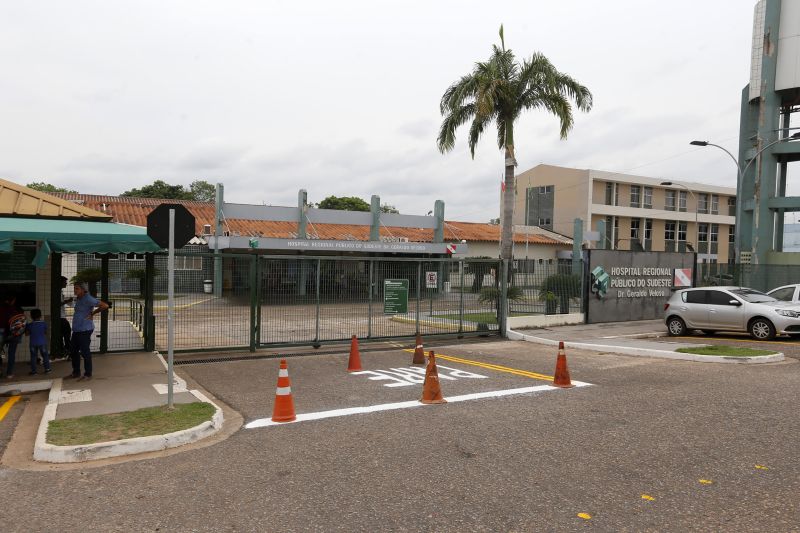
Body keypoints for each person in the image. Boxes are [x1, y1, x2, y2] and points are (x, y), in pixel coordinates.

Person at [67, 282, 108, 381]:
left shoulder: (88, 298)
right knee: (73, 351)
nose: (75, 290)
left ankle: (88, 374)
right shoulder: (79, 298)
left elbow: (104, 305)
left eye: (77, 289)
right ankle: (76, 372)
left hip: (85, 329)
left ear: (83, 290)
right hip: (77, 329)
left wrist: (92, 313)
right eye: (74, 288)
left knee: (85, 352)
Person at [0, 293, 25, 379]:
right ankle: (9, 373)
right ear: (12, 300)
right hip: (13, 334)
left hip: (1, 332)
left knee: (0, 353)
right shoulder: (17, 309)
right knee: (11, 353)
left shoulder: (1, 308)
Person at [26, 308, 51, 375]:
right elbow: (45, 332)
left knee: (33, 357)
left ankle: (34, 372)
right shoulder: (44, 324)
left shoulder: (30, 325)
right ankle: (47, 369)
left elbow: (27, 334)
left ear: (31, 316)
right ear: (40, 316)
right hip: (42, 343)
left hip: (33, 343)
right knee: (45, 356)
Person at [59, 276, 73, 359]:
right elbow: (58, 303)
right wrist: (67, 301)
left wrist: (66, 301)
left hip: (62, 316)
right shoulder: (57, 292)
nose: (66, 283)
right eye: (65, 282)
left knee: (63, 335)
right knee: (67, 334)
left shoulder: (60, 291)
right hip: (61, 317)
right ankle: (68, 351)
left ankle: (64, 351)